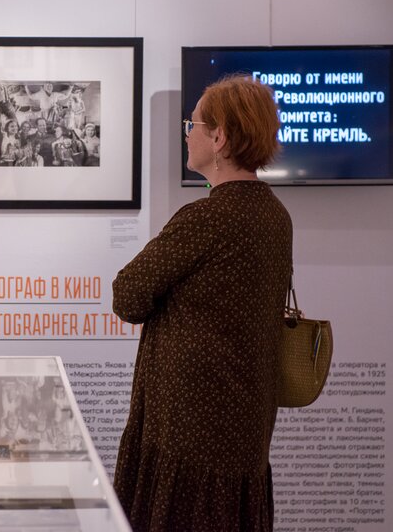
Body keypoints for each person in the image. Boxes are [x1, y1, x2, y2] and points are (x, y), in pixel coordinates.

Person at [111, 75, 292, 531]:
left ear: (220, 137)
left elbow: (127, 295)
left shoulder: (206, 217)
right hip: (243, 429)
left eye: (192, 123)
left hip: (188, 434)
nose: (186, 133)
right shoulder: (275, 215)